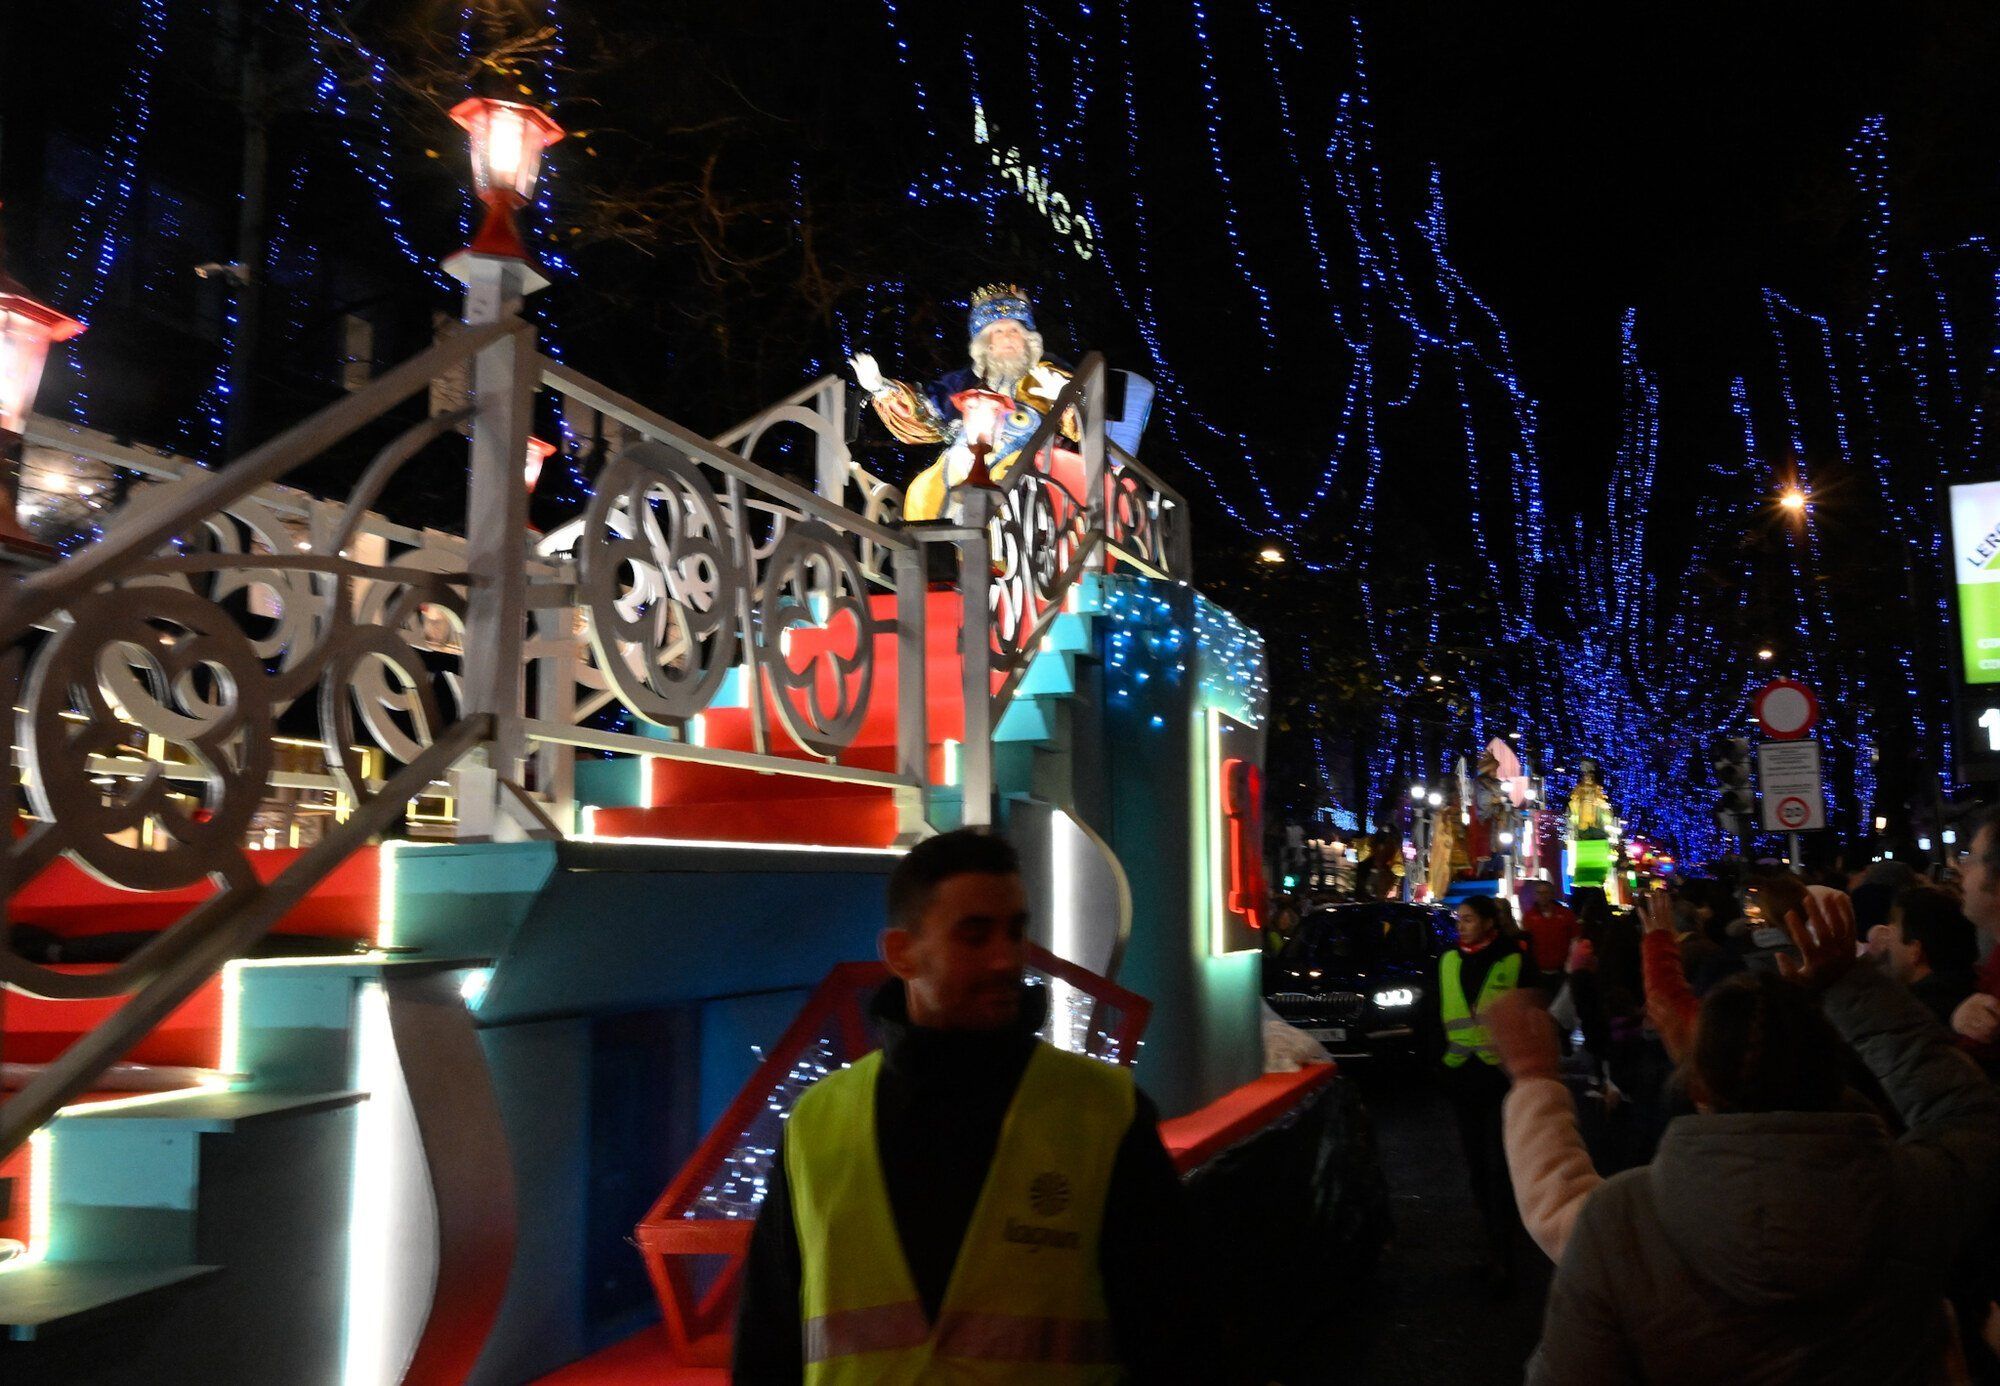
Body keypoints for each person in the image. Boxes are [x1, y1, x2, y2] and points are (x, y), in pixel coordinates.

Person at [733, 829, 1199, 1382]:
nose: (1007, 959)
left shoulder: (1103, 1111)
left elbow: (1176, 1335)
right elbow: (770, 1339)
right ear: (902, 955)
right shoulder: (816, 1122)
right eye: (974, 937)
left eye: (1016, 931)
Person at [1522, 891, 2000, 1385]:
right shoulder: (1915, 1193)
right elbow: (1966, 1113)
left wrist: (1532, 1079)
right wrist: (1851, 988)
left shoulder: (1620, 1220)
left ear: (1697, 1083)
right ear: (1830, 1070)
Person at [850, 285, 1078, 522]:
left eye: (1014, 330)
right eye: (998, 331)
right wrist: (882, 388)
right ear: (986, 342)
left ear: (1027, 339)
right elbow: (927, 415)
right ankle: (940, 555)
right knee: (923, 490)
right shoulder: (964, 382)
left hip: (1026, 464)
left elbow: (1083, 421)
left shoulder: (1047, 373)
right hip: (961, 462)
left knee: (1005, 481)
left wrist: (1068, 399)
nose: (1008, 337)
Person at [1437, 893, 1527, 1287]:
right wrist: (1437, 1066)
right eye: (1459, 919)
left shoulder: (1513, 959)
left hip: (1501, 1077)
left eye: (1469, 919)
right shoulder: (1447, 961)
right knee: (1476, 1166)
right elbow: (1432, 1017)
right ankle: (1492, 1248)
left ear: (1489, 923)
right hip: (1462, 1078)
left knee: (1499, 1166)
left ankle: (1506, 1253)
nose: (1462, 925)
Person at [1883, 885, 1979, 1028]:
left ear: (1914, 951)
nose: (1886, 942)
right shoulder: (1974, 991)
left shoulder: (1906, 1016)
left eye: (1891, 932)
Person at [1520, 880, 1580, 978]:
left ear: (1552, 894)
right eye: (1539, 893)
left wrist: (1570, 966)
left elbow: (1575, 941)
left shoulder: (1566, 914)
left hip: (1562, 971)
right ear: (1535, 895)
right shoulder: (1528, 917)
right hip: (1538, 972)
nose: (1542, 896)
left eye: (1545, 892)